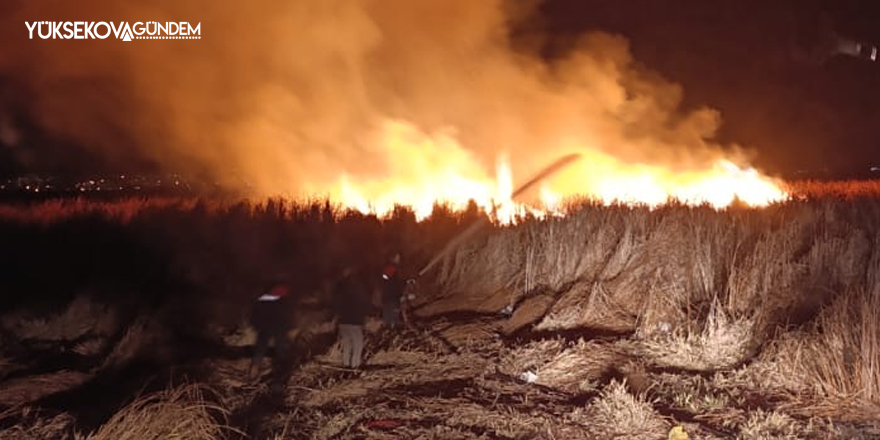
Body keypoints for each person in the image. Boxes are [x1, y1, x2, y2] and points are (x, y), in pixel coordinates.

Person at [248, 276, 295, 380]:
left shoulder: (262, 299)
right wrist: (289, 325)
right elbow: (287, 314)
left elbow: (255, 314)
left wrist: (256, 325)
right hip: (278, 327)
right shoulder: (283, 300)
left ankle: (253, 372)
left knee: (260, 349)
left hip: (265, 327)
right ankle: (282, 372)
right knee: (281, 349)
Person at [333, 265, 369, 368]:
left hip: (342, 322)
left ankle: (345, 365)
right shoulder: (357, 287)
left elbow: (334, 303)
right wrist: (365, 314)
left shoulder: (339, 287)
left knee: (346, 345)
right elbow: (363, 302)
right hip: (354, 321)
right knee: (358, 344)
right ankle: (355, 366)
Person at [380, 253, 406, 328]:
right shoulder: (391, 267)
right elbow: (387, 278)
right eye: (397, 258)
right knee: (391, 310)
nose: (399, 259)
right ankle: (391, 326)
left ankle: (390, 326)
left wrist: (405, 282)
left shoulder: (394, 268)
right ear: (392, 258)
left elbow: (395, 281)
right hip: (391, 295)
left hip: (390, 294)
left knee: (392, 310)